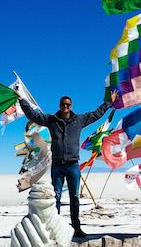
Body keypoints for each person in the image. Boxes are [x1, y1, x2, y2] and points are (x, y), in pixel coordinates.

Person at [18, 90, 118, 238]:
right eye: (64, 104)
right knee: (56, 197)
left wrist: (109, 103)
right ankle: (55, 228)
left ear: (71, 106)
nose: (66, 107)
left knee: (74, 197)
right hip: (57, 165)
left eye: (68, 105)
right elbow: (33, 115)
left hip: (73, 166)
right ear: (60, 106)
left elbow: (96, 114)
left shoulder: (79, 120)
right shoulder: (51, 120)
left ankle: (76, 227)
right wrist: (22, 101)